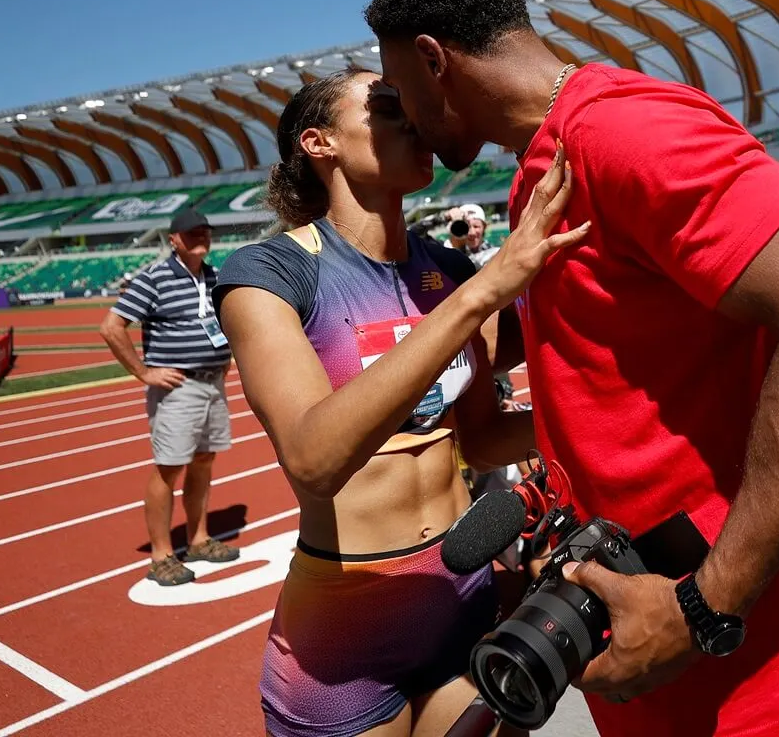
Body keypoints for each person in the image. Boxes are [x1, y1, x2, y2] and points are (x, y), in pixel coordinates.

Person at [365, 0, 779, 737]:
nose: (400, 110)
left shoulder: (623, 129)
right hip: (657, 679)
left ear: (432, 59)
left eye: (398, 88)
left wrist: (703, 606)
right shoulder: (536, 173)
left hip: (751, 685)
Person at [211, 68, 586, 737]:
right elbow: (314, 457)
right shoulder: (267, 273)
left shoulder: (448, 269)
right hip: (344, 640)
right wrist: (481, 295)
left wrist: (587, 429)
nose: (412, 116)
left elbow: (479, 439)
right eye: (388, 106)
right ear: (319, 142)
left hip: (462, 600)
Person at [99, 208, 239, 587]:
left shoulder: (215, 276)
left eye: (205, 233)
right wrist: (144, 372)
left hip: (213, 383)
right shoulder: (154, 278)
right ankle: (161, 554)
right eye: (192, 234)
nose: (201, 239)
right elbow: (112, 328)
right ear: (173, 239)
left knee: (204, 462)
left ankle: (198, 539)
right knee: (169, 466)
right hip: (176, 389)